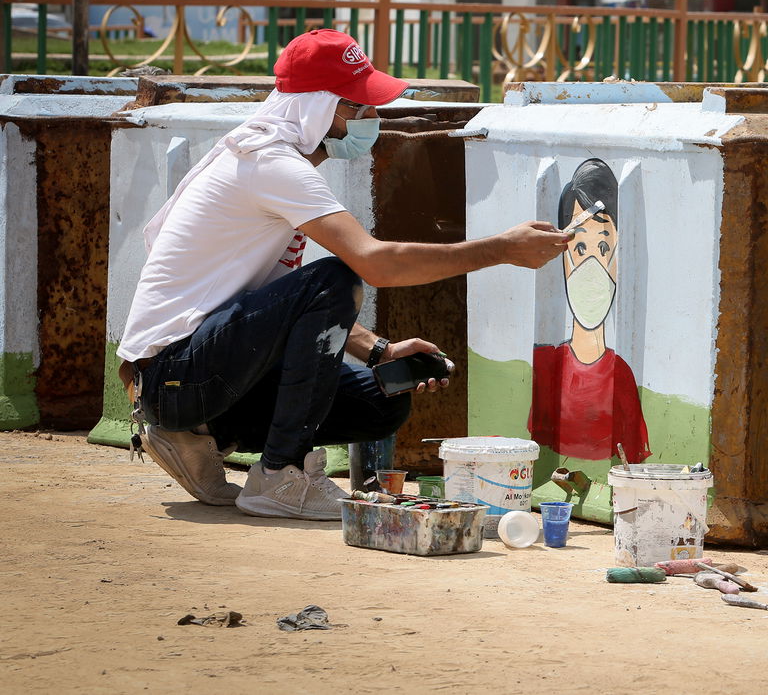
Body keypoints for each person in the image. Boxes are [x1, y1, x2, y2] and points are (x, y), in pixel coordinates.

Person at [117, 28, 569, 520]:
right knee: (334, 277)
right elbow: (374, 263)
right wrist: (501, 249)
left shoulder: (274, 159)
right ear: (318, 108)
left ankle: (203, 434)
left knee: (381, 400)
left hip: (194, 375)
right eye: (359, 106)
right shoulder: (270, 163)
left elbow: (277, 304)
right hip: (173, 378)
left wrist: (379, 351)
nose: (372, 118)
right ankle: (280, 475)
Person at [528, 159, 649, 464]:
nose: (592, 266)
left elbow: (634, 465)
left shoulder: (621, 377)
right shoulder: (545, 365)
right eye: (580, 248)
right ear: (564, 256)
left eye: (604, 249)